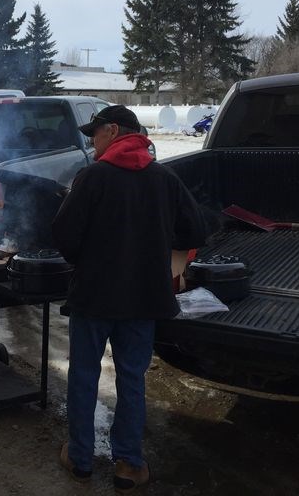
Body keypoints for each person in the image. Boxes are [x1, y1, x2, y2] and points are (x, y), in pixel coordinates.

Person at [52, 105, 207, 493]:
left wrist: (85, 260)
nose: (91, 141)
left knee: (84, 376)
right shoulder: (164, 178)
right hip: (144, 299)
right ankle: (129, 464)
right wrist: (166, 258)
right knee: (132, 378)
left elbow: (64, 236)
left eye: (95, 133)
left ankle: (81, 458)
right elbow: (194, 229)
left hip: (94, 298)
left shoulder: (93, 177)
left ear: (114, 131)